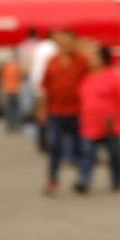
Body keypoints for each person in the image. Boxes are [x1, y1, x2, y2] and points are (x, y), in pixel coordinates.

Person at [76, 42, 120, 194]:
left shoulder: (113, 76)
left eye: (95, 56)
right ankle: (83, 180)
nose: (91, 59)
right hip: (90, 123)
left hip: (110, 123)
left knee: (114, 154)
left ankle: (117, 180)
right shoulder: (86, 77)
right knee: (87, 153)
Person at [38, 30, 87, 195]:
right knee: (55, 147)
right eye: (61, 42)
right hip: (56, 112)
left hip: (77, 111)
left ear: (74, 42)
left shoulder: (82, 60)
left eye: (68, 41)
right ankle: (52, 179)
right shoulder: (52, 61)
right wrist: (42, 109)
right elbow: (45, 87)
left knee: (79, 146)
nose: (64, 45)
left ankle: (82, 178)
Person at [0, 49, 22, 132]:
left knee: (9, 109)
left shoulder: (6, 66)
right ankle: (16, 125)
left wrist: (3, 88)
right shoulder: (17, 66)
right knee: (16, 109)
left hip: (9, 90)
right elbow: (20, 77)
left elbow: (2, 78)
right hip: (16, 90)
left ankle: (9, 125)